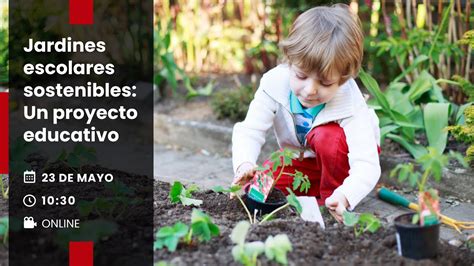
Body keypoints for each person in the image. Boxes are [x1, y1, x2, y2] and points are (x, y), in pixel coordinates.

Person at [231, 4, 381, 222]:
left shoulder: (350, 103)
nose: (310, 90)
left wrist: (346, 194)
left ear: (343, 79)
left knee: (327, 136)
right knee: (261, 184)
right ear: (289, 62)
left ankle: (331, 201)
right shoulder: (274, 85)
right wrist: (244, 163)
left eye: (326, 83)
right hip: (306, 162)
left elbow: (366, 164)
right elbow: (250, 130)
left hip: (344, 164)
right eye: (301, 76)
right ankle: (302, 194)